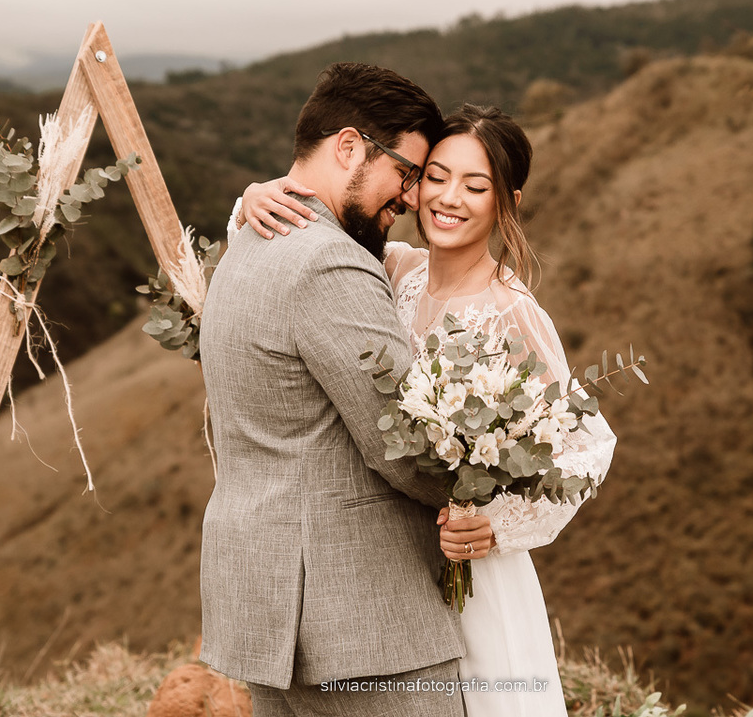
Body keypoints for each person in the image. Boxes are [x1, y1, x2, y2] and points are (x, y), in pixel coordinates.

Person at [234, 103, 618, 717]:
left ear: (507, 202)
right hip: (397, 574)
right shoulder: (394, 271)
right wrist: (254, 196)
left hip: (475, 575)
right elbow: (302, 256)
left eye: (476, 185)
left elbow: (589, 444)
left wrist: (498, 525)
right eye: (435, 176)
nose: (448, 198)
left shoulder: (511, 313)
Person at [199, 62, 491, 717]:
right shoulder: (330, 261)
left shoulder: (248, 241)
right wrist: (482, 480)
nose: (413, 198)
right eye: (407, 174)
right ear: (350, 146)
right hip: (360, 625)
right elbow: (406, 445)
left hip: (271, 611)